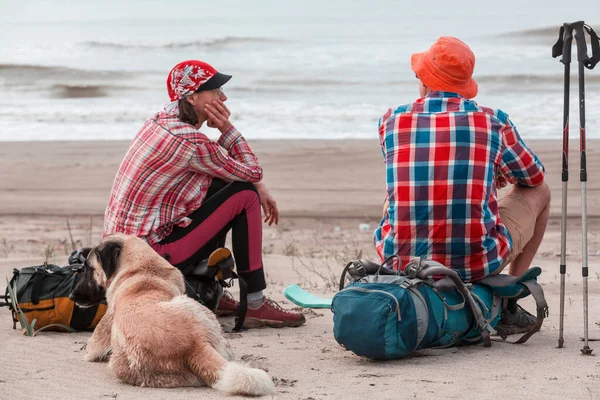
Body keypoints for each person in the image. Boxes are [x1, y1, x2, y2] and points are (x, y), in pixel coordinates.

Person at [103, 59, 305, 328]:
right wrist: (226, 128)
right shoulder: (189, 141)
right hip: (145, 258)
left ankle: (211, 291)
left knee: (225, 187)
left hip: (121, 251)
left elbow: (223, 170)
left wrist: (257, 183)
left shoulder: (160, 121)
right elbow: (252, 171)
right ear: (193, 97)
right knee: (244, 196)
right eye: (216, 91)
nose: (224, 97)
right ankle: (255, 304)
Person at [374, 37, 550, 334]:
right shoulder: (493, 121)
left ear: (424, 80)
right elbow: (533, 178)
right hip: (475, 261)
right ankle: (509, 302)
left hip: (401, 260)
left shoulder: (391, 120)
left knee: (400, 192)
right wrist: (493, 175)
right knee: (541, 193)